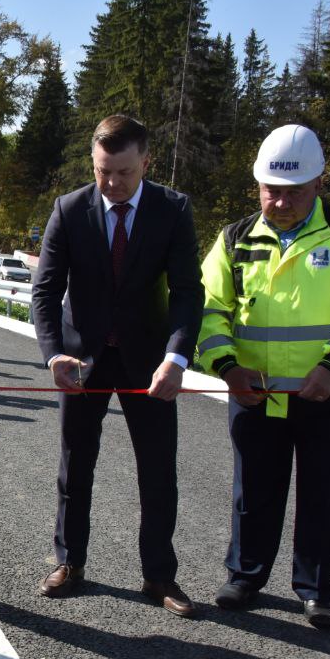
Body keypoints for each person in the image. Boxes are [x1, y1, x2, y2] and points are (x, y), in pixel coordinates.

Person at [197, 124, 330, 629]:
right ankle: (244, 576)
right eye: (271, 192)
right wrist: (226, 366)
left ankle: (316, 591)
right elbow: (207, 309)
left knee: (322, 494)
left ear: (319, 185)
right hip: (254, 392)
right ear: (258, 186)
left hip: (329, 394)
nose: (280, 203)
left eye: (293, 193)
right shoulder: (234, 238)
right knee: (253, 489)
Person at [30, 115, 203, 618]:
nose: (112, 183)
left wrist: (176, 356)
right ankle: (69, 561)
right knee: (74, 464)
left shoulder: (173, 210)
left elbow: (188, 293)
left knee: (157, 471)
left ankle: (159, 575)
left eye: (124, 172)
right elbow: (45, 290)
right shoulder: (69, 209)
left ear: (145, 162)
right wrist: (52, 353)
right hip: (81, 360)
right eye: (103, 171)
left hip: (148, 363)